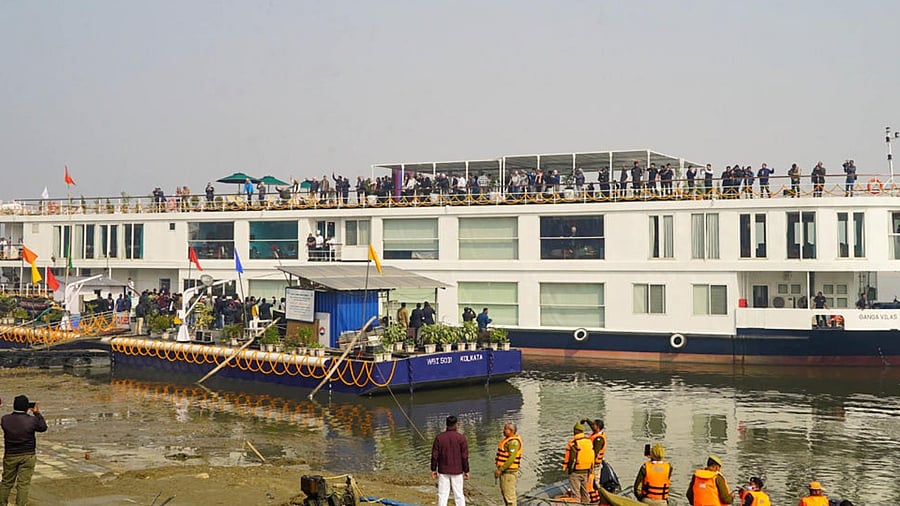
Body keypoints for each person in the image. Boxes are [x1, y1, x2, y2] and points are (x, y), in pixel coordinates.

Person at [0, 395, 48, 506]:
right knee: (23, 484)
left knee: (6, 482)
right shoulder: (32, 420)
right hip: (28, 455)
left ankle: (2, 503)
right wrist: (37, 413)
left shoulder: (5, 419)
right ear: (27, 407)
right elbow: (43, 427)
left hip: (10, 455)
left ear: (14, 405)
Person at [431, 415, 469, 506]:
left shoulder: (439, 438)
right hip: (457, 471)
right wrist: (466, 470)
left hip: (443, 470)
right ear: (456, 424)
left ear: (446, 424)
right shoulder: (461, 438)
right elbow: (464, 456)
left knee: (442, 494)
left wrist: (433, 469)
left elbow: (434, 455)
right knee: (459, 494)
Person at [563, 422, 593, 503]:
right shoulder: (589, 441)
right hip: (586, 471)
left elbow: (572, 459)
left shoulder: (573, 443)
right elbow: (592, 456)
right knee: (585, 492)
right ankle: (586, 504)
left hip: (576, 472)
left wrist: (570, 471)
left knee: (575, 494)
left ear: (575, 432)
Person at [494, 421, 522, 506]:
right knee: (505, 493)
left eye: (505, 429)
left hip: (509, 473)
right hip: (505, 472)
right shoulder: (507, 441)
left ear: (512, 431)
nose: (503, 430)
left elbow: (511, 459)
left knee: (509, 496)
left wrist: (500, 469)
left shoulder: (513, 442)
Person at [585, 418, 606, 493]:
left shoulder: (599, 439)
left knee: (595, 480)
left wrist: (591, 464)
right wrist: (587, 420)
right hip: (592, 462)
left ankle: (598, 494)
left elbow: (595, 453)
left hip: (595, 463)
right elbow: (592, 426)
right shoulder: (597, 434)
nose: (592, 426)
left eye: (594, 425)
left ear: (597, 427)